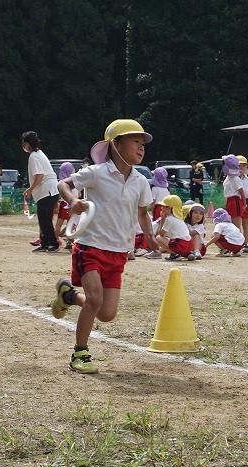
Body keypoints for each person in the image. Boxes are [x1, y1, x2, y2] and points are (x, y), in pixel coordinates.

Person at [51, 119, 159, 374]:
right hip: (90, 246)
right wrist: (73, 200)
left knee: (107, 313)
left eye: (143, 143)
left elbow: (143, 213)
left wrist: (150, 236)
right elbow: (63, 184)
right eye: (135, 141)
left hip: (119, 252)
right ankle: (80, 353)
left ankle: (69, 296)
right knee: (95, 299)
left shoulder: (140, 181)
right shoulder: (97, 172)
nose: (141, 147)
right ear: (115, 144)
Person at [21, 131, 60, 252]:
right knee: (43, 219)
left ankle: (53, 243)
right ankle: (45, 243)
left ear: (27, 144)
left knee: (45, 219)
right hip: (49, 190)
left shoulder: (34, 156)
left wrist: (30, 189)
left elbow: (40, 175)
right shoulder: (39, 153)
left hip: (47, 191)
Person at [154, 195, 195, 261]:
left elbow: (161, 234)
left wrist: (162, 219)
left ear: (169, 208)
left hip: (180, 245)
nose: (161, 208)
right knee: (173, 239)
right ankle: (187, 253)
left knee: (158, 238)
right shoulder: (179, 218)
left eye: (163, 206)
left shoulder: (169, 219)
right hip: (189, 245)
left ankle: (174, 254)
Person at [221, 154, 246, 230]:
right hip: (229, 200)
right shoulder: (228, 177)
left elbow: (241, 192)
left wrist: (244, 204)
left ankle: (238, 237)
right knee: (230, 223)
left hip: (235, 200)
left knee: (236, 225)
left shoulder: (235, 178)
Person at [54, 162, 75, 249]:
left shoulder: (63, 182)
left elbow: (59, 196)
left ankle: (55, 241)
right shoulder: (75, 180)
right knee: (71, 224)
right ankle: (69, 242)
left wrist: (56, 202)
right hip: (74, 204)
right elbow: (79, 194)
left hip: (65, 204)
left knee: (58, 225)